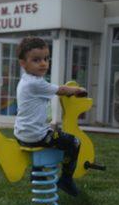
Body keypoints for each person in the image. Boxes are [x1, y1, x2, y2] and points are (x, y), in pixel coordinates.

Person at [13, 37, 86, 196]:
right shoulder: (35, 83)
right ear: (23, 63)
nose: (43, 63)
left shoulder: (26, 80)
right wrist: (77, 90)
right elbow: (62, 90)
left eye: (46, 58)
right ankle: (66, 179)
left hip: (22, 134)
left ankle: (36, 170)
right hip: (36, 136)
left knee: (52, 129)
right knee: (74, 142)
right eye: (36, 60)